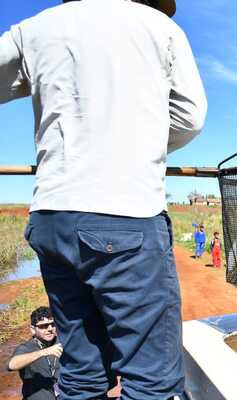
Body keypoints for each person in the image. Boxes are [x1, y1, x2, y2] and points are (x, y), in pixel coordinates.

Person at [0, 0, 207, 398]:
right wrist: (134, 147)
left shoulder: (36, 27)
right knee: (152, 380)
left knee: (81, 368)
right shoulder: (157, 27)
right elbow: (190, 117)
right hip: (125, 214)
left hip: (51, 215)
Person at [7, 307, 63, 400]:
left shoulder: (62, 343)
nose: (50, 329)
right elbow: (11, 365)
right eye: (44, 326)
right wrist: (43, 352)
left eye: (52, 324)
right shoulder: (26, 348)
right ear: (33, 329)